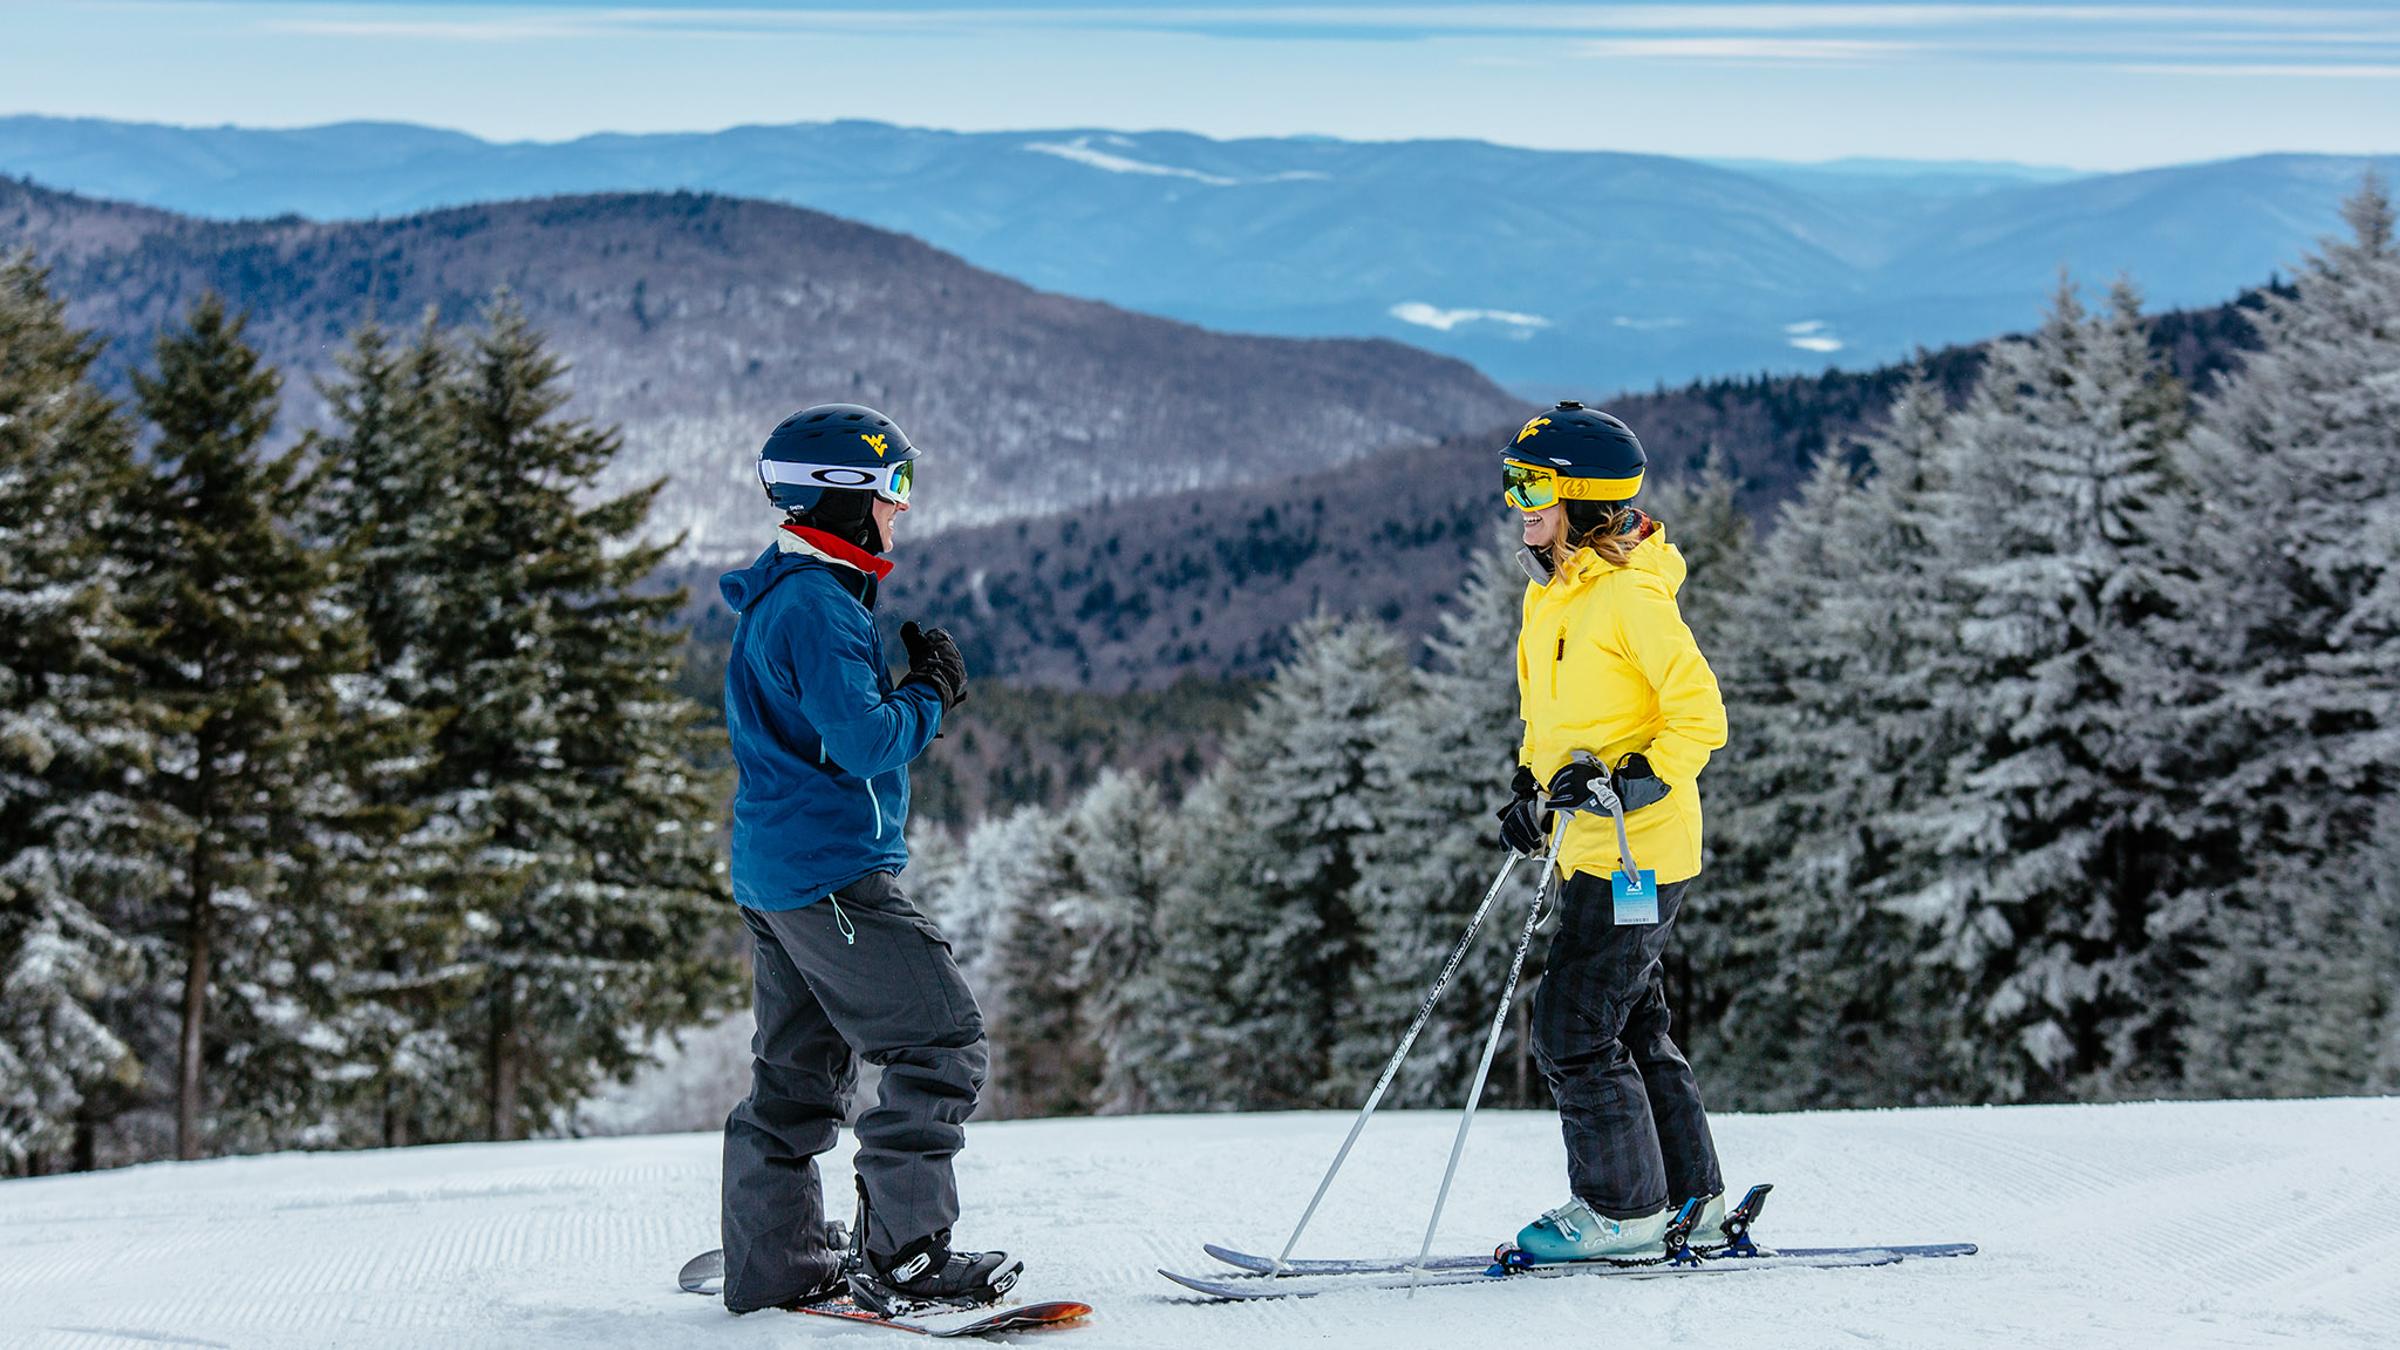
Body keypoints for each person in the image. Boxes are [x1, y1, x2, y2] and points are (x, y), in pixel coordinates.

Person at [715, 402, 1018, 1313]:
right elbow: (864, 742)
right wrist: (931, 691)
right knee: (939, 1043)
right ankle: (908, 1257)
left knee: (797, 1077)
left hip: (782, 875)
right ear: (843, 497)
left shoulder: (802, 592)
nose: (903, 507)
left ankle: (776, 1260)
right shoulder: (815, 605)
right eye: (895, 486)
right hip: (831, 876)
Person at [1492, 401, 1732, 1262]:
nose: (1518, 500)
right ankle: (1690, 1200)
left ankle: (1621, 1210)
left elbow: (1700, 717)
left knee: (1572, 1027)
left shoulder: (1630, 597)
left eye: (1533, 486)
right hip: (1590, 848)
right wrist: (1529, 786)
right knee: (1628, 1024)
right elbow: (1552, 718)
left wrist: (1639, 781)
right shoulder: (1554, 593)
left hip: (1640, 851)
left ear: (1586, 500)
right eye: (1513, 482)